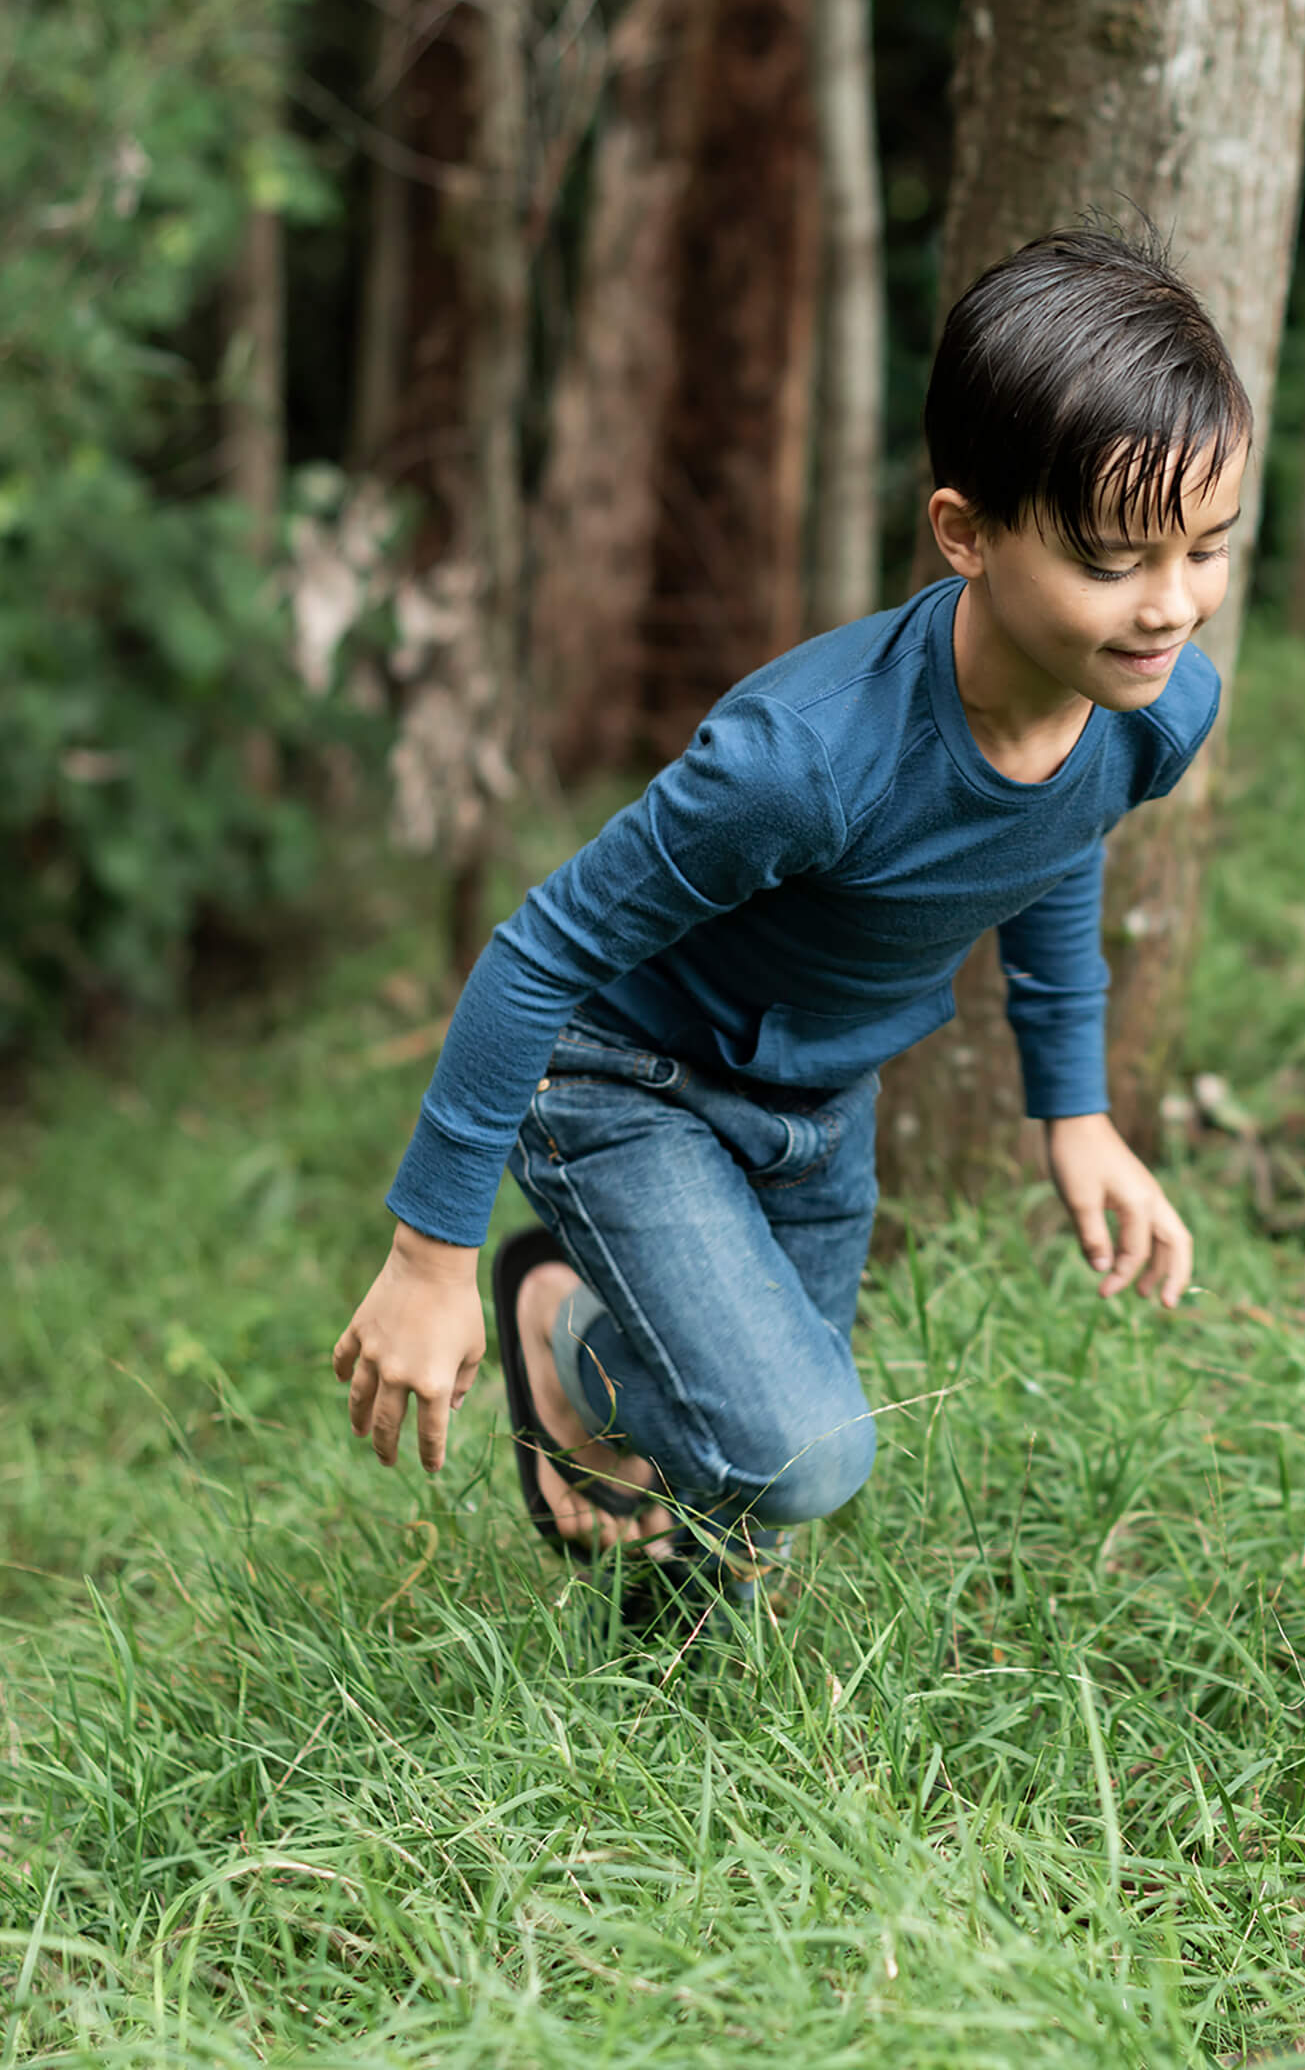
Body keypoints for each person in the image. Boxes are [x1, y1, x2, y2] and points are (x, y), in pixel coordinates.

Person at [332, 223, 1252, 1615]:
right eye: (1115, 560)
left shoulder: (1156, 709)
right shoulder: (801, 762)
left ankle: (668, 1699)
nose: (1170, 606)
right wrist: (425, 1255)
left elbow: (1056, 844)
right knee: (802, 1451)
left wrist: (1075, 1114)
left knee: (743, 1493)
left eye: (1207, 548)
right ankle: (546, 1312)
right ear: (968, 534)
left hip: (819, 1093)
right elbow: (539, 954)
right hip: (622, 1079)